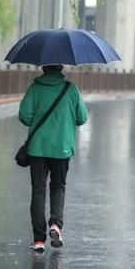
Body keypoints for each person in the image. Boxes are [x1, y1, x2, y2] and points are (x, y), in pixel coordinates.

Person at [18, 65, 88, 252]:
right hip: (62, 148)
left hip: (38, 149)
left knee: (38, 191)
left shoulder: (35, 88)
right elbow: (82, 117)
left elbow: (24, 116)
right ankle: (56, 224)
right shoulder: (70, 89)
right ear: (61, 68)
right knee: (58, 186)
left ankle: (39, 240)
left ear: (43, 67)